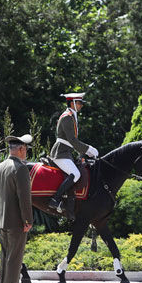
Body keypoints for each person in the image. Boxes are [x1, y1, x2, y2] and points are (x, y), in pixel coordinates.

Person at [0, 134, 34, 283]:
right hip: (16, 220)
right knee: (15, 258)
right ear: (21, 149)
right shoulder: (20, 168)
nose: (26, 153)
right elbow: (24, 197)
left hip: (1, 219)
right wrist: (28, 220)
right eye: (26, 150)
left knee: (5, 257)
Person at [48, 92, 98, 220]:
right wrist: (88, 149)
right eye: (79, 103)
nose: (81, 105)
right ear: (72, 103)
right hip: (60, 153)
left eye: (81, 103)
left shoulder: (72, 116)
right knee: (76, 174)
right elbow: (72, 140)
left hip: (66, 152)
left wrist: (82, 153)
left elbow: (73, 141)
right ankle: (55, 199)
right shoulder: (67, 117)